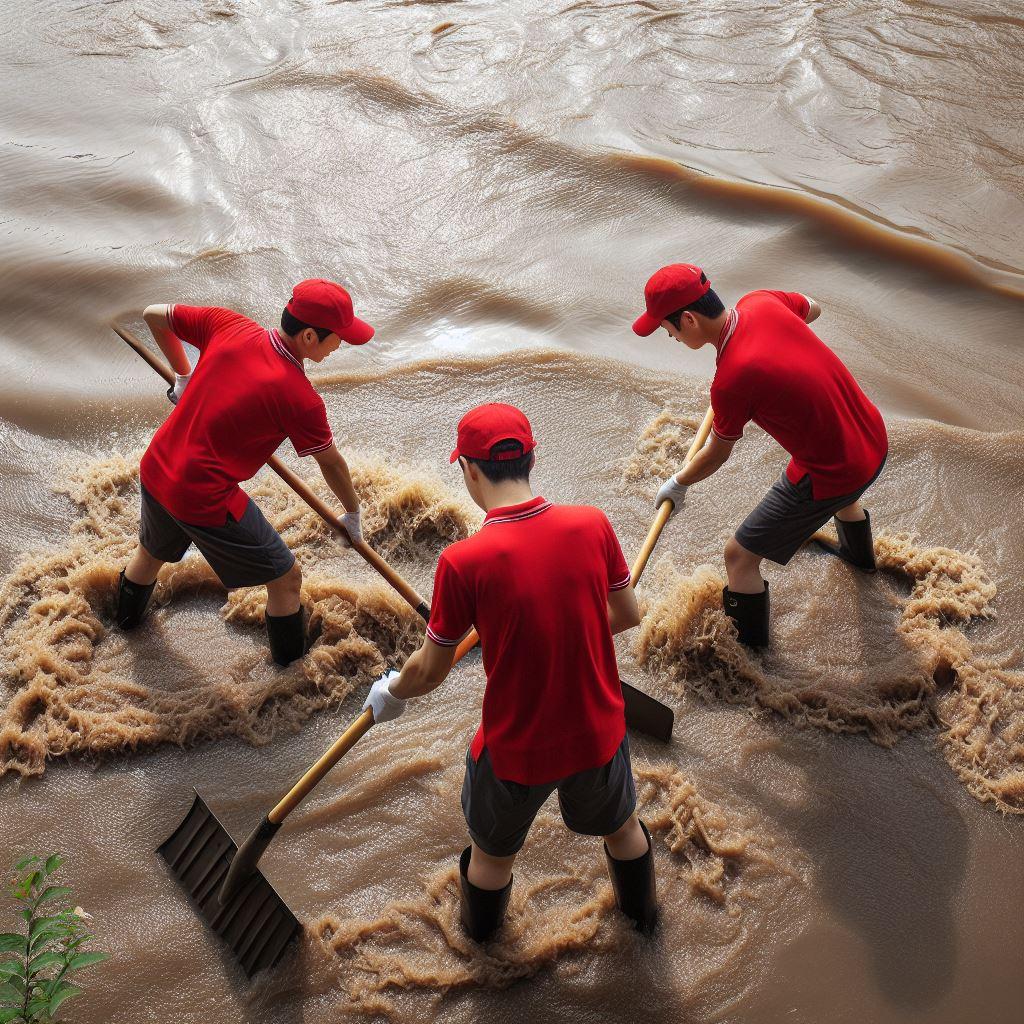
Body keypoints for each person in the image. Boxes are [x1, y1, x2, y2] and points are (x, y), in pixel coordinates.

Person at [361, 403, 657, 941]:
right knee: (622, 829)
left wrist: (391, 691)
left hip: (517, 748)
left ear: (469, 470)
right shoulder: (592, 524)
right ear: (532, 458)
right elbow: (626, 613)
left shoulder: (463, 562)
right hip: (599, 732)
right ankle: (644, 925)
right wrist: (561, 629)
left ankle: (481, 952)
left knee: (492, 857)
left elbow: (431, 671)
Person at [116, 278, 373, 666]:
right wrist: (352, 513)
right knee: (286, 579)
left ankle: (121, 630)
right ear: (308, 336)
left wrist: (183, 376)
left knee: (149, 555)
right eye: (338, 338)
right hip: (202, 494)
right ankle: (292, 674)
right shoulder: (300, 398)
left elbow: (155, 316)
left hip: (158, 466)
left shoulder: (229, 324)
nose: (342, 345)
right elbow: (331, 462)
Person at [632, 264, 887, 647]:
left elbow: (717, 454)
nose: (668, 336)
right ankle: (860, 563)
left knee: (739, 556)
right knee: (842, 487)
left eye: (666, 328)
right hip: (871, 436)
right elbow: (812, 308)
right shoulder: (761, 302)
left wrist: (678, 483)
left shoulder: (732, 380)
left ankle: (750, 658)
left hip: (835, 470)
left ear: (688, 319)